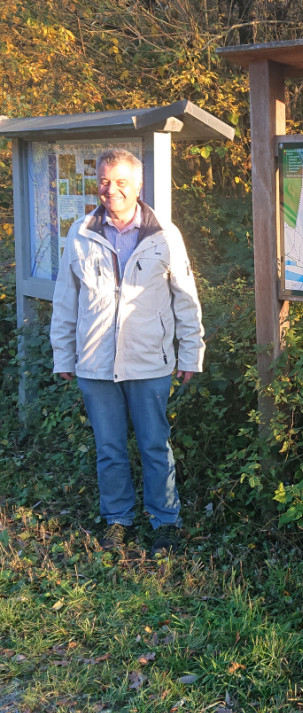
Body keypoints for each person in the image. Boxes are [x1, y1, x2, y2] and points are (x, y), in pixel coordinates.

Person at [50, 148, 205, 556]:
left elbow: (186, 299)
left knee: (155, 445)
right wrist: (63, 354)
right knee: (110, 448)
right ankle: (118, 518)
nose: (111, 189)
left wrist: (191, 353)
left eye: (120, 181)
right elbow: (66, 299)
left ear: (138, 185)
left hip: (150, 360)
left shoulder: (164, 235)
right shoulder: (80, 234)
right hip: (96, 363)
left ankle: (165, 522)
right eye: (104, 180)